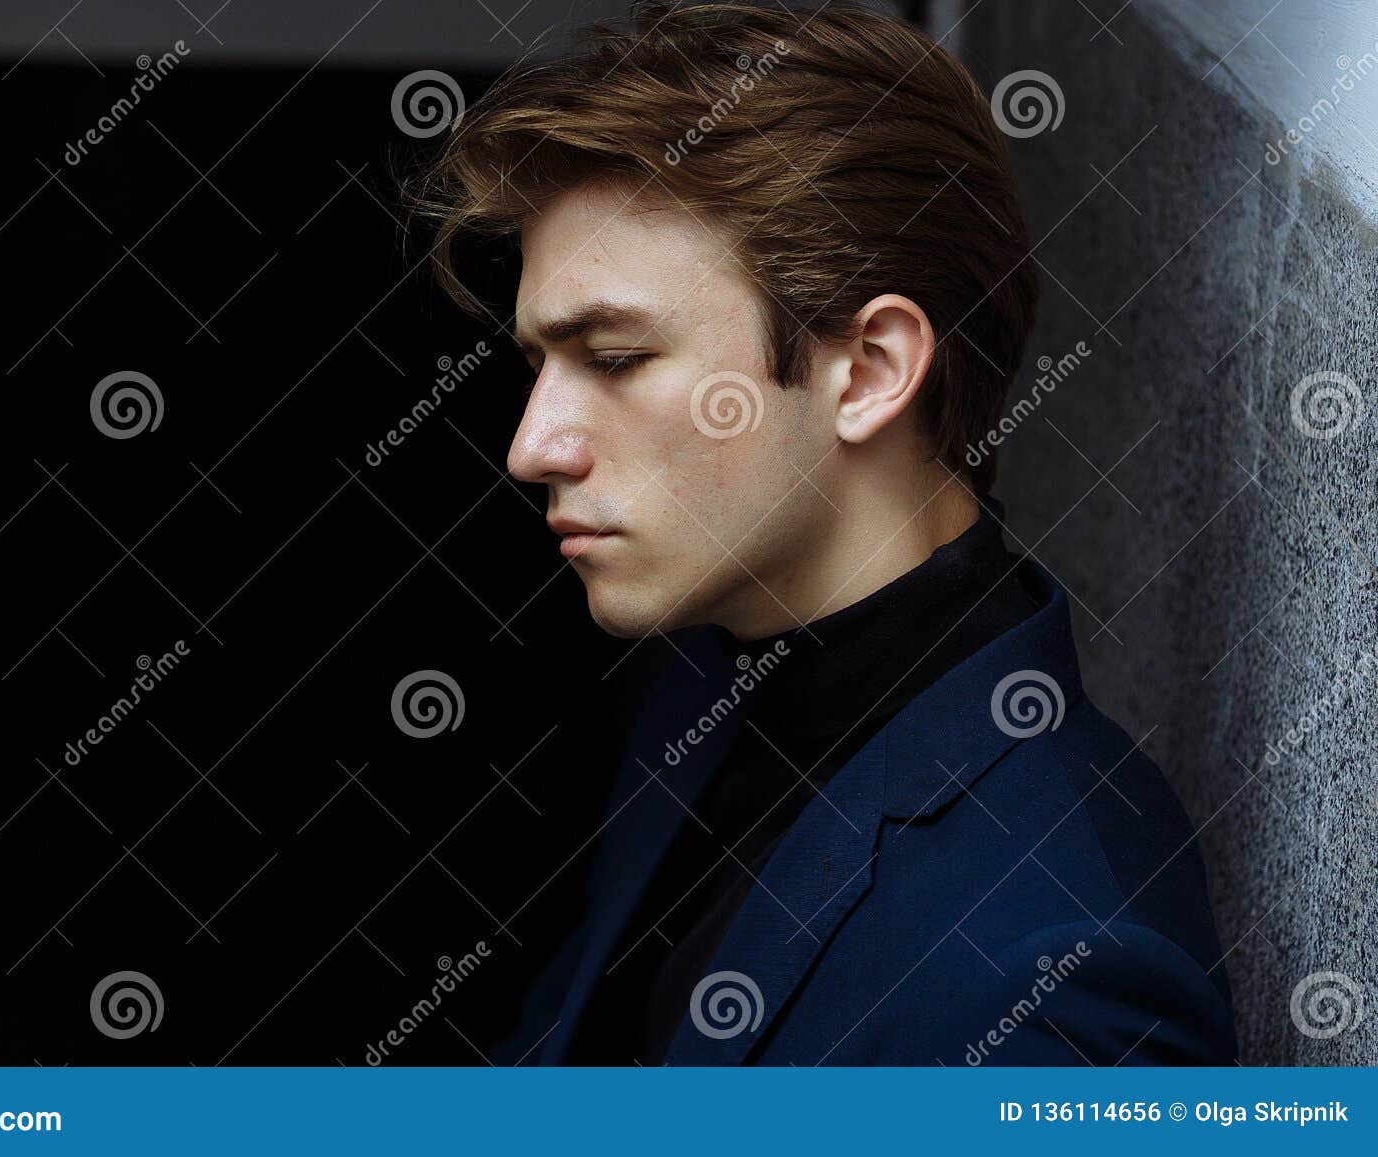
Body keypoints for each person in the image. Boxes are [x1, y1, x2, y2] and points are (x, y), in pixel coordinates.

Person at [405, 2, 1236, 1065]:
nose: (532, 447)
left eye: (612, 359)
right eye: (537, 366)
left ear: (873, 370)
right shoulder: (713, 672)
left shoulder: (1055, 977)